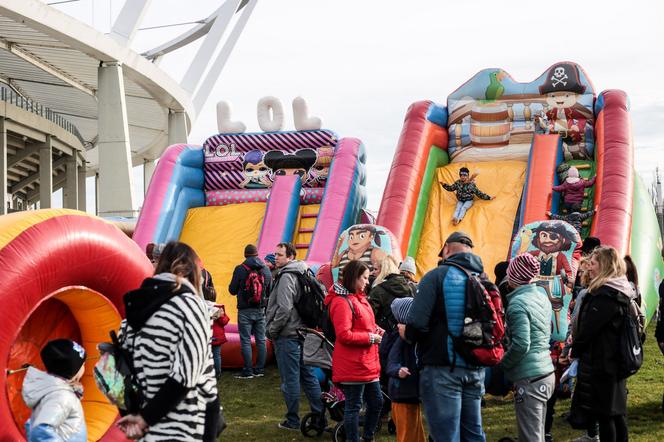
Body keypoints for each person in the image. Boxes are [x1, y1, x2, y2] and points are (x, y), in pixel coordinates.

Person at [116, 241, 219, 441]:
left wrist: (133, 414)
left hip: (148, 428)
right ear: (191, 270)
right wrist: (146, 418)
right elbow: (186, 375)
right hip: (186, 425)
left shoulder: (134, 309)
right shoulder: (190, 306)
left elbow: (118, 369)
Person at [401, 231, 486, 441]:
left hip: (442, 368)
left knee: (445, 436)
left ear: (446, 249)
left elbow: (417, 322)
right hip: (475, 368)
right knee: (473, 434)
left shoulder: (436, 276)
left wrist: (406, 334)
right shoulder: (482, 278)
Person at [570, 246, 633, 442]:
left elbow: (588, 330)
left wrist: (574, 351)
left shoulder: (605, 296)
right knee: (616, 413)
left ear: (605, 266)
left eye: (594, 263)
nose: (589, 267)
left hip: (603, 364)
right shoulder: (621, 291)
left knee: (606, 415)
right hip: (615, 362)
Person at [265, 242, 324, 431]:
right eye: (276, 254)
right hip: (302, 332)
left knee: (290, 379)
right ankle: (318, 416)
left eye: (280, 255)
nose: (276, 257)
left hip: (287, 334)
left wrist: (273, 330)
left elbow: (284, 308)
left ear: (290, 257)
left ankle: (292, 420)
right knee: (308, 376)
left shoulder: (286, 276)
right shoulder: (304, 271)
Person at [326, 260, 383, 442]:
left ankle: (367, 437)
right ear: (354, 278)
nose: (368, 281)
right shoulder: (341, 302)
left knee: (376, 402)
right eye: (365, 278)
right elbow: (344, 334)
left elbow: (368, 324)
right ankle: (353, 439)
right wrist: (371, 338)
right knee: (354, 406)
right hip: (352, 365)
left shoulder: (360, 299)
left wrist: (378, 330)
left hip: (367, 363)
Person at [501, 254, 555, 442]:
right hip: (546, 371)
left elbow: (522, 344)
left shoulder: (517, 304)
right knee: (537, 433)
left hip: (529, 376)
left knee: (530, 437)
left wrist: (503, 365)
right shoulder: (541, 296)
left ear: (513, 277)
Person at [22, 339, 87, 441]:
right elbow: (40, 430)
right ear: (72, 370)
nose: (84, 367)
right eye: (83, 364)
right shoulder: (62, 397)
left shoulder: (58, 392)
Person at [229, 244, 272, 379]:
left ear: (245, 255)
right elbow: (270, 289)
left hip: (245, 310)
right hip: (260, 309)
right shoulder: (265, 269)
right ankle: (259, 369)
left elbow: (232, 290)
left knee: (246, 340)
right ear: (257, 254)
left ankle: (248, 371)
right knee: (261, 339)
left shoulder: (240, 269)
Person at [387, 297, 426, 442]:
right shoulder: (400, 338)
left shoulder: (411, 336)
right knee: (406, 433)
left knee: (416, 429)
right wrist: (398, 370)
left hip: (412, 393)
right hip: (402, 392)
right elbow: (391, 362)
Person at [369, 255, 414, 333]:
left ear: (383, 270)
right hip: (403, 332)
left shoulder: (378, 290)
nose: (372, 272)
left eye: (375, 269)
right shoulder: (408, 287)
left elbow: (369, 315)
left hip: (382, 333)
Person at [210, 304, 230, 379]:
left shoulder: (200, 306)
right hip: (216, 336)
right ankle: (217, 373)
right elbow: (224, 321)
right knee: (217, 356)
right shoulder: (218, 308)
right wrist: (222, 315)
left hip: (205, 335)